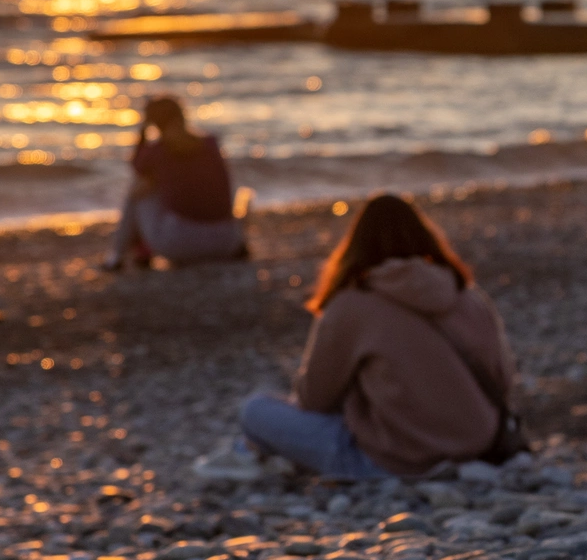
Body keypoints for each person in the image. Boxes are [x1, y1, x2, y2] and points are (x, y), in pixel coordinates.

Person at [196, 193, 517, 482]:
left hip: (398, 459)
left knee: (255, 411)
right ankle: (256, 453)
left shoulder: (353, 304)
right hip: (481, 444)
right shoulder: (468, 296)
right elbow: (502, 380)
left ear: (356, 246)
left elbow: (315, 400)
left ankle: (251, 452)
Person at [104, 97, 246, 270]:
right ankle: (136, 252)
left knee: (139, 191)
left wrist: (143, 131)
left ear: (154, 123)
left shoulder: (158, 151)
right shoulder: (210, 144)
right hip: (228, 242)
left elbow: (135, 166)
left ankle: (119, 257)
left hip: (180, 245)